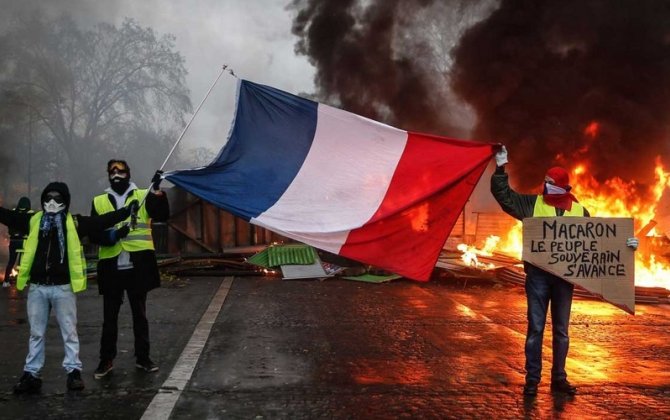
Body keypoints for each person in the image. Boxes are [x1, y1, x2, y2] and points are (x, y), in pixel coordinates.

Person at [490, 145, 639, 397]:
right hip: (537, 276)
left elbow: (599, 243)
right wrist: (501, 168)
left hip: (564, 279)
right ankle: (532, 380)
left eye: (550, 182)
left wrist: (626, 246)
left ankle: (559, 378)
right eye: (545, 181)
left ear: (563, 185)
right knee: (535, 327)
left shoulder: (580, 212)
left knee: (561, 330)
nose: (545, 186)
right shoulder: (532, 204)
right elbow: (505, 197)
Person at [0, 182, 136, 394]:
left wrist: (126, 211)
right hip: (37, 287)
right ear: (43, 200)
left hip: (63, 287)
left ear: (66, 201)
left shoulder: (74, 222)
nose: (52, 203)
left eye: (57, 198)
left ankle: (73, 373)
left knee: (69, 332)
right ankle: (31, 373)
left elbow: (101, 221)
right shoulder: (34, 220)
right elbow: (7, 216)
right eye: (48, 198)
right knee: (36, 333)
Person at [90, 160, 168, 379]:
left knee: (140, 315)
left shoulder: (143, 195)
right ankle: (106, 360)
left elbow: (161, 215)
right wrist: (113, 235)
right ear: (108, 175)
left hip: (137, 266)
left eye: (120, 170)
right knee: (109, 318)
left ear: (128, 173)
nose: (116, 174)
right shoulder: (99, 201)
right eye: (112, 171)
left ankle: (143, 358)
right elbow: (94, 233)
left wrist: (157, 191)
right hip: (111, 265)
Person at [3, 196, 33, 288]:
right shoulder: (30, 213)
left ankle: (6, 281)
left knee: (11, 261)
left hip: (13, 240)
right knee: (23, 262)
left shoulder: (13, 212)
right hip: (24, 240)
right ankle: (21, 282)